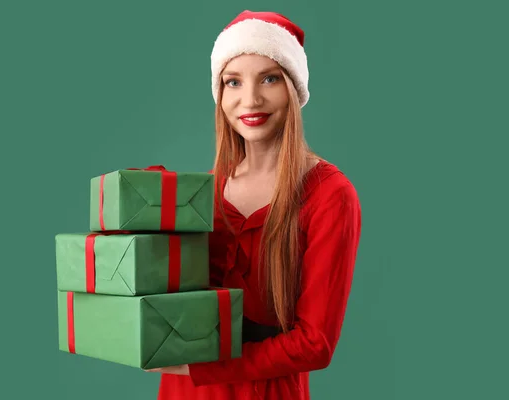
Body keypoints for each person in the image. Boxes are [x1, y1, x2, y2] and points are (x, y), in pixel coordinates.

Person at [148, 10, 362, 400]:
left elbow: (316, 343)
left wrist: (202, 367)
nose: (251, 99)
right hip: (183, 391)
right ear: (220, 93)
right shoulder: (203, 193)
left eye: (269, 78)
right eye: (233, 81)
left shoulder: (329, 194)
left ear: (294, 88)